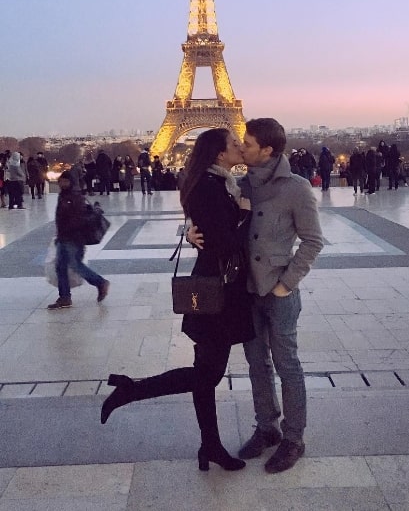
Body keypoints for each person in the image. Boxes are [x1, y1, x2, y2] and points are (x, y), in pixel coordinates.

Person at [100, 129, 254, 474]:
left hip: (217, 283)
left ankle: (209, 445)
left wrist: (196, 228)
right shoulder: (211, 187)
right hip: (218, 289)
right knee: (209, 374)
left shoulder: (218, 183)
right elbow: (226, 243)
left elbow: (208, 228)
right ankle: (132, 390)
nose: (239, 146)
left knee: (205, 372)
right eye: (233, 143)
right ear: (217, 153)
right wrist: (244, 214)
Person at [191, 119, 324, 473]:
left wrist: (286, 283)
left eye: (247, 143)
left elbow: (313, 240)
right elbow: (214, 218)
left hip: (278, 291)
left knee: (287, 365)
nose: (242, 148)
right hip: (245, 291)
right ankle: (267, 428)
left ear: (267, 150)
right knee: (257, 365)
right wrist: (191, 231)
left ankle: (294, 438)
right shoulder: (239, 184)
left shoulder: (295, 188)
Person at [48, 171, 110, 309]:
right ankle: (65, 297)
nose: (62, 183)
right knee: (62, 266)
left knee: (74, 265)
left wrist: (65, 233)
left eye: (65, 181)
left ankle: (99, 282)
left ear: (70, 182)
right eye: (61, 181)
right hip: (65, 237)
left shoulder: (74, 197)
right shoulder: (65, 195)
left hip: (73, 238)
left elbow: (77, 220)